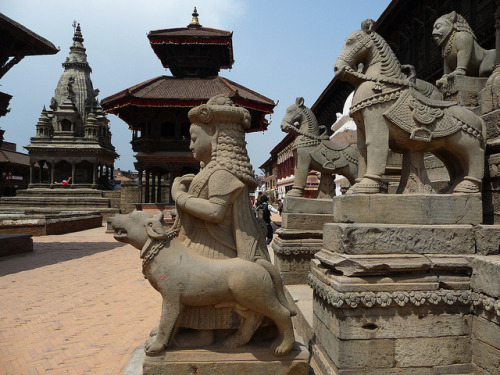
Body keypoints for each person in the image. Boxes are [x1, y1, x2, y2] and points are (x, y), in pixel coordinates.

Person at [169, 94, 271, 346]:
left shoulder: (222, 173)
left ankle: (210, 333)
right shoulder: (210, 173)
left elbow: (216, 212)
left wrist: (179, 197)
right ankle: (201, 332)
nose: (190, 145)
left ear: (214, 134)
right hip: (203, 245)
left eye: (194, 139)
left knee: (205, 291)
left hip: (216, 249)